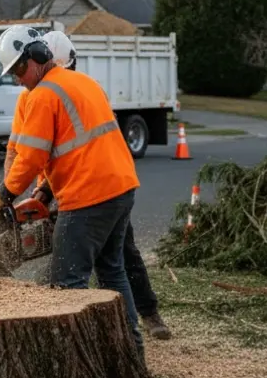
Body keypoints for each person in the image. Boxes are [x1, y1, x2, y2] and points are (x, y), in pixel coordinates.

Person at [0, 25, 145, 354]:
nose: (17, 78)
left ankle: (73, 362)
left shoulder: (44, 95)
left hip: (88, 198)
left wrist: (2, 197)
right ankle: (130, 354)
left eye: (19, 68)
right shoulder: (83, 82)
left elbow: (29, 157)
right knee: (112, 271)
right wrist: (44, 191)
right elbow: (77, 148)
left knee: (67, 284)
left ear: (38, 57)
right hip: (121, 188)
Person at [35, 31, 172, 340]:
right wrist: (45, 187)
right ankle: (135, 330)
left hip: (91, 189)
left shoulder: (61, 91)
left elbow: (77, 148)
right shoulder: (82, 87)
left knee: (99, 262)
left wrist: (20, 191)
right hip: (109, 186)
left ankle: (144, 315)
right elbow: (62, 147)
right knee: (117, 260)